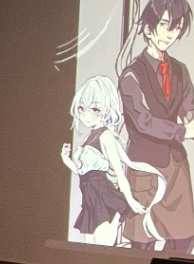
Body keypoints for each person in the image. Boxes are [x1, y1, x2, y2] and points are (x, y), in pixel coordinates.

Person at [117, 0, 194, 253]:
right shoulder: (132, 75)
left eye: (177, 27)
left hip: (176, 168)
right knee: (141, 245)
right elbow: (143, 121)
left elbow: (189, 112)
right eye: (165, 25)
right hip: (144, 168)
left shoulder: (180, 70)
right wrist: (184, 131)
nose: (171, 33)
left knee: (184, 240)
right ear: (148, 28)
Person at [61, 76, 154, 246]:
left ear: (104, 110)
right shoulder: (89, 137)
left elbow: (119, 172)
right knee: (89, 253)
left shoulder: (106, 136)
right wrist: (65, 159)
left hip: (103, 198)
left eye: (93, 109)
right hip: (89, 200)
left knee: (101, 250)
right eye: (81, 108)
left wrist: (130, 200)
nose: (84, 114)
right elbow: (81, 172)